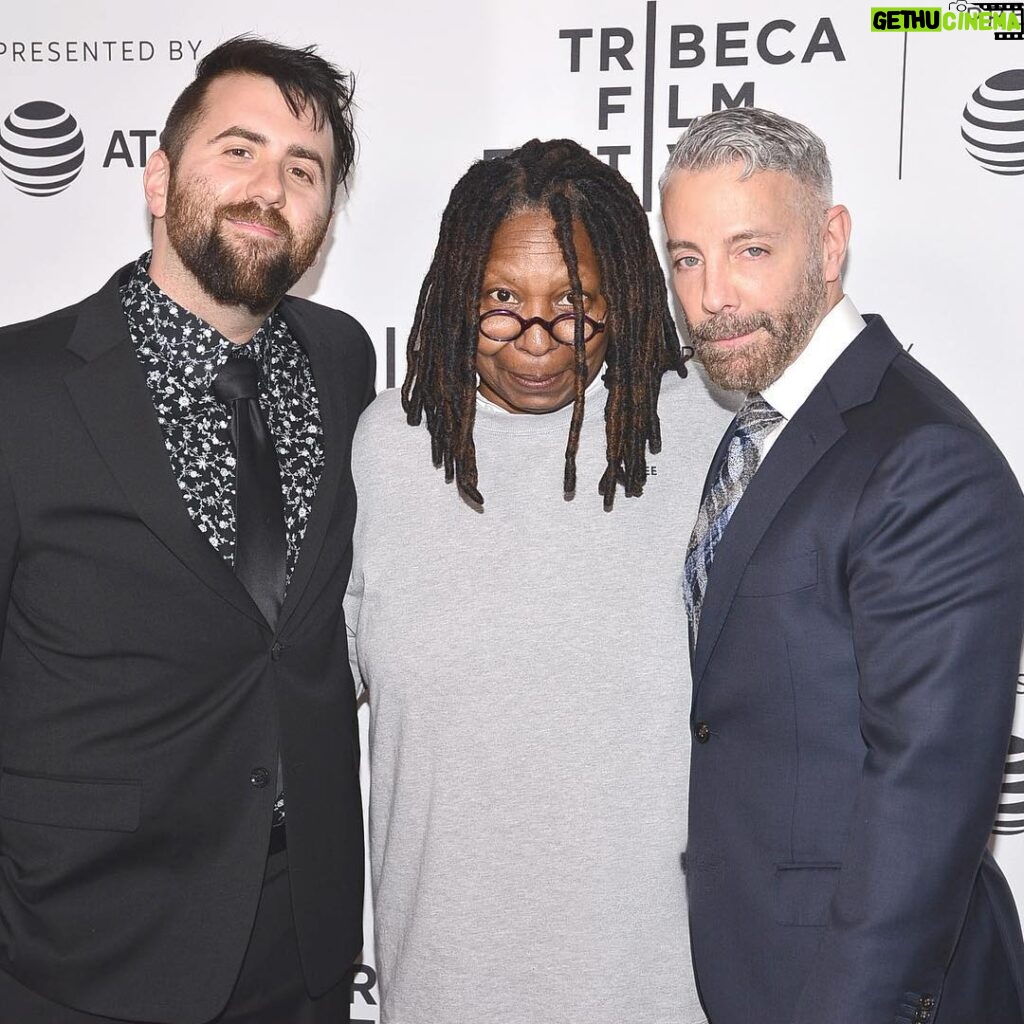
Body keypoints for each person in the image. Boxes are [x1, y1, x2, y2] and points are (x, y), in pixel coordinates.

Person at [0, 35, 373, 1024]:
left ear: (325, 214)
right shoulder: (19, 391)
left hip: (301, 943)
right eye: (237, 150)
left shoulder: (341, 362)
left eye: (304, 169)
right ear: (159, 179)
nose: (269, 188)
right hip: (81, 953)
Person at [345, 138, 734, 1023]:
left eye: (575, 305)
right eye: (501, 302)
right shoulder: (391, 448)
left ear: (626, 296)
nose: (537, 342)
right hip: (445, 987)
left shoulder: (710, 439)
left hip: (662, 993)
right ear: (455, 294)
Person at [660, 105, 1024, 1024]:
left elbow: (925, 804)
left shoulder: (920, 457)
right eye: (686, 258)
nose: (711, 300)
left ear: (830, 244)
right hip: (764, 969)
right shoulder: (766, 427)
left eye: (750, 251)